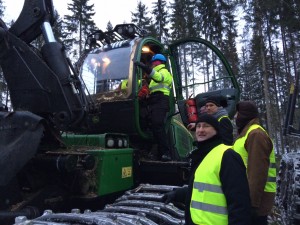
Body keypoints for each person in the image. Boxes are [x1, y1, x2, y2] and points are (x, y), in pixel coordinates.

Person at [162, 114, 251, 225]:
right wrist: (178, 194)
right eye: (198, 126)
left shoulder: (227, 155)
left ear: (216, 130)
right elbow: (204, 189)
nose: (200, 130)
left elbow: (240, 203)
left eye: (206, 126)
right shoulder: (202, 155)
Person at [233, 101, 276, 225]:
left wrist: (252, 204)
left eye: (238, 113)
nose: (235, 116)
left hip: (255, 202)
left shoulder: (256, 134)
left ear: (245, 115)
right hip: (246, 197)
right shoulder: (246, 134)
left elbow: (257, 172)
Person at [134, 54, 173, 161]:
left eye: (153, 62)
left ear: (158, 62)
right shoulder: (152, 76)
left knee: (157, 125)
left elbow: (158, 78)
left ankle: (166, 153)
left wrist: (144, 67)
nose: (152, 63)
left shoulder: (164, 72)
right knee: (148, 124)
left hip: (161, 101)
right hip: (154, 100)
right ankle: (150, 151)